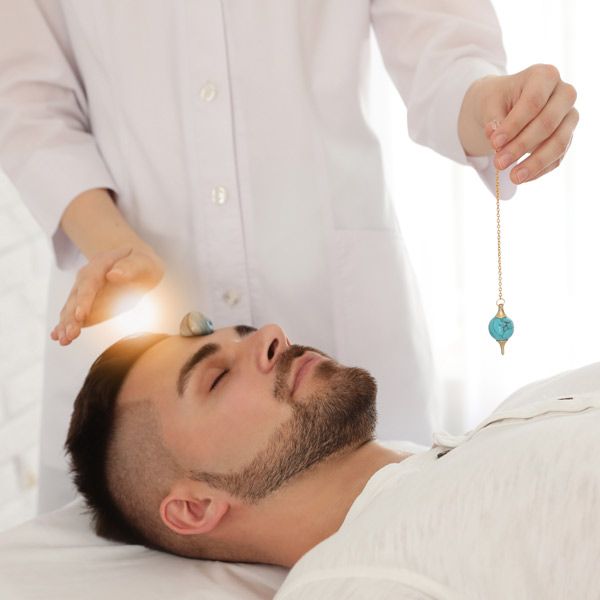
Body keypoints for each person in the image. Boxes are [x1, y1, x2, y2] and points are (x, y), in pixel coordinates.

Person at [0, 1, 578, 517]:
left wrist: (496, 108)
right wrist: (109, 241)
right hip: (130, 340)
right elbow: (27, 100)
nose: (268, 339)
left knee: (389, 534)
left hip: (331, 304)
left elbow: (443, 48)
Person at [65, 322, 600, 598]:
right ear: (195, 507)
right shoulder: (355, 582)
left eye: (247, 333)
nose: (273, 334)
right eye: (219, 376)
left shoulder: (515, 413)